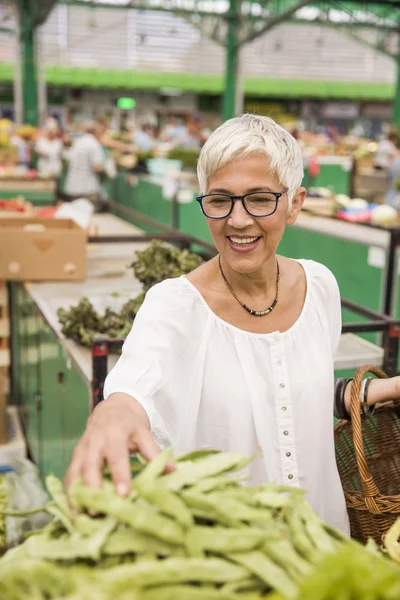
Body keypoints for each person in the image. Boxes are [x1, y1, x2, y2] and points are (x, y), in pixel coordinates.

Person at [67, 114, 400, 534]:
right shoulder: (174, 306)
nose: (238, 220)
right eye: (220, 199)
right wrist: (112, 411)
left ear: (294, 204)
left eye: (260, 199)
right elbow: (134, 386)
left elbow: (289, 397)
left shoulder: (319, 288)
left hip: (325, 548)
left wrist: (375, 391)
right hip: (225, 563)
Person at [63, 121, 105, 205]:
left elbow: (69, 159)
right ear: (96, 132)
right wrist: (106, 171)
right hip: (88, 189)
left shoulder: (78, 142)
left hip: (73, 187)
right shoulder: (94, 144)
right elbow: (96, 167)